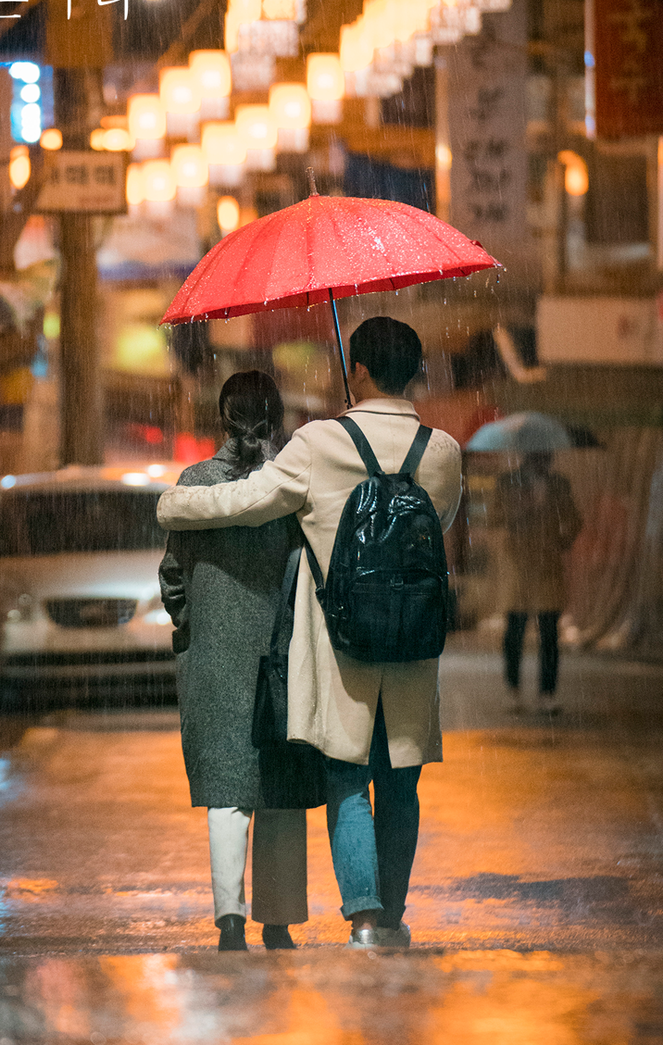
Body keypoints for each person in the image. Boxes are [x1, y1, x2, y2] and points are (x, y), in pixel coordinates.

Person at [157, 318, 462, 949]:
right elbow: (437, 529)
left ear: (359, 372)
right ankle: (395, 915)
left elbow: (249, 500)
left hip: (341, 641)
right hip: (410, 639)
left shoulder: (322, 442)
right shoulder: (444, 451)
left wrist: (173, 505)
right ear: (413, 371)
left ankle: (365, 919)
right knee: (400, 780)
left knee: (347, 775)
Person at [158, 370, 323, 953]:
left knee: (228, 785)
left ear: (222, 417)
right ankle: (276, 922)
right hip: (282, 651)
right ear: (276, 418)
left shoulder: (195, 483)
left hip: (212, 654)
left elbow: (172, 576)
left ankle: (230, 918)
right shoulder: (291, 485)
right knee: (279, 782)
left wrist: (193, 620)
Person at [492, 451, 582, 714]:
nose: (545, 460)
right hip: (518, 565)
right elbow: (494, 517)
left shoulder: (559, 483)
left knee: (549, 633)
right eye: (539, 455)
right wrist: (522, 507)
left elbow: (575, 519)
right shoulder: (508, 482)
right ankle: (513, 689)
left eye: (548, 455)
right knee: (515, 631)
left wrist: (563, 542)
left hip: (548, 565)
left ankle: (547, 693)